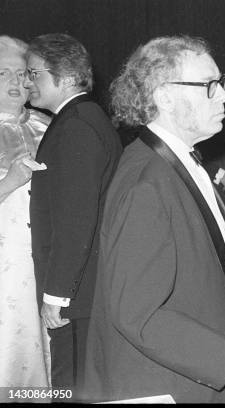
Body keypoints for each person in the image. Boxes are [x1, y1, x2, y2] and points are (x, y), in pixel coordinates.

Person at [83, 35, 225, 403]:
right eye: (209, 86)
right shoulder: (146, 183)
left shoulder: (178, 163)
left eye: (220, 84)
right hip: (168, 386)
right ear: (164, 96)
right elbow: (137, 314)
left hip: (200, 380)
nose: (224, 95)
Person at [24, 33, 122, 398]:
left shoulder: (76, 125)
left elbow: (76, 218)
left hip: (78, 295)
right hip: (85, 290)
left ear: (64, 78)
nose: (27, 82)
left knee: (73, 386)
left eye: (35, 74)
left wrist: (57, 294)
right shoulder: (81, 118)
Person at [0, 35, 51, 397]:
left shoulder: (48, 125)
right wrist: (10, 182)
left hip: (43, 259)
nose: (16, 83)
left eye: (22, 74)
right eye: (3, 73)